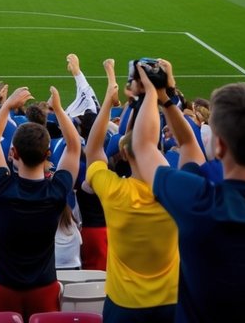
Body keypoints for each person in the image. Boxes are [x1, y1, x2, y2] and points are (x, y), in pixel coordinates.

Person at [130, 62, 245, 323]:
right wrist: (166, 99)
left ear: (218, 146)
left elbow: (143, 146)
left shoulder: (199, 202)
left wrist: (153, 94)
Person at [82, 60, 179, 322]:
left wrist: (108, 102)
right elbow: (189, 147)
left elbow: (93, 152)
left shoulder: (114, 191)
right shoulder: (179, 193)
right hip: (171, 303)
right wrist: (164, 96)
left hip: (124, 305)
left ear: (124, 152)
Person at [0, 85, 81, 317]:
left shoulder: (1, 188)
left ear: (14, 153)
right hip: (44, 288)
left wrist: (6, 105)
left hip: (5, 288)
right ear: (48, 155)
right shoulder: (56, 192)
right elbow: (75, 146)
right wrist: (57, 109)